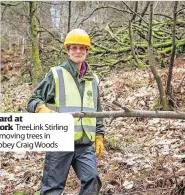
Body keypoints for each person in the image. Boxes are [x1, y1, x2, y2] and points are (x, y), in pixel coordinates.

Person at [27, 29, 105, 195]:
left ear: (87, 51)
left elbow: (97, 110)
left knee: (92, 180)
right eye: (74, 47)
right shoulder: (56, 74)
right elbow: (33, 100)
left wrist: (99, 135)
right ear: (68, 50)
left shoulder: (93, 79)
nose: (78, 51)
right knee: (53, 188)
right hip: (60, 141)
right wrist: (42, 109)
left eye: (82, 48)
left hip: (84, 144)